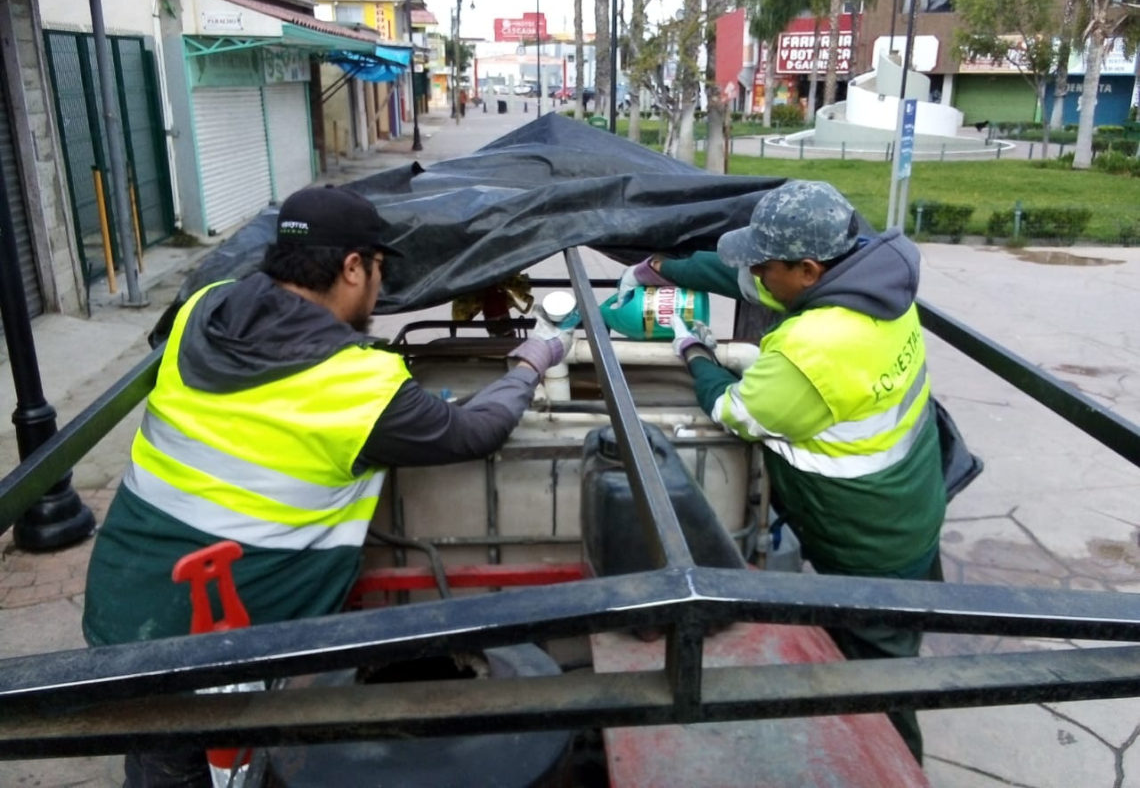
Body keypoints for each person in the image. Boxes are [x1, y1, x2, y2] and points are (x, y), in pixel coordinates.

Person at [82, 185, 570, 787]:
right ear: (352, 266)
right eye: (379, 270)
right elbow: (477, 430)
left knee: (158, 758)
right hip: (225, 639)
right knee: (211, 763)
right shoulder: (359, 387)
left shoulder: (200, 310)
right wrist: (530, 363)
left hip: (122, 603)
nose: (380, 288)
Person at [618, 180, 946, 764]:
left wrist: (695, 354)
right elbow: (745, 279)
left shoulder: (813, 346)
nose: (759, 278)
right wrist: (665, 267)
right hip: (913, 506)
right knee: (891, 648)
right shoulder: (873, 290)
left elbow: (736, 411)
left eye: (767, 266)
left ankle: (898, 769)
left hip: (871, 545)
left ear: (808, 270)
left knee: (879, 685)